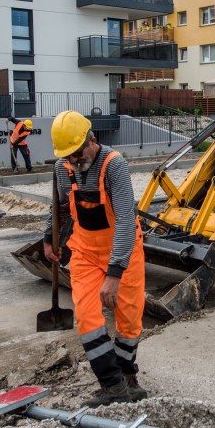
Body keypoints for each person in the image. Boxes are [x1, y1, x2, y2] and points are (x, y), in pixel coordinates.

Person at [45, 110, 147, 406]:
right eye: (68, 157)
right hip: (85, 251)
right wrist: (48, 237)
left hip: (123, 248)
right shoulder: (63, 168)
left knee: (129, 321)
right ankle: (113, 386)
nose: (74, 162)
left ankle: (128, 376)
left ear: (92, 139)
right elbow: (60, 207)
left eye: (77, 154)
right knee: (88, 317)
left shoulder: (114, 165)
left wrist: (114, 274)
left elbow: (127, 221)